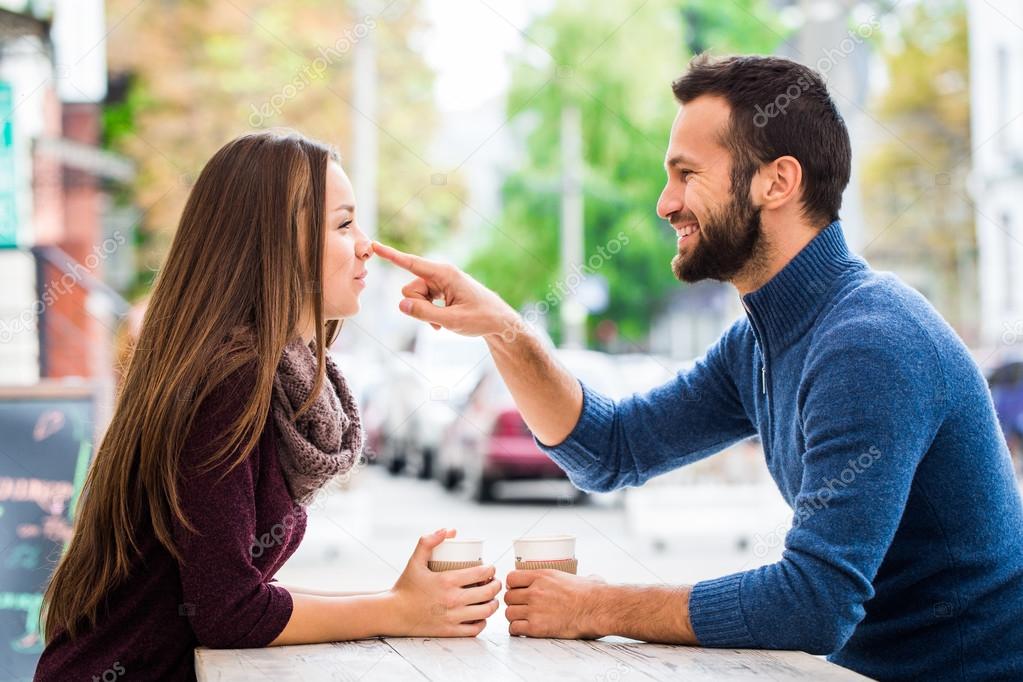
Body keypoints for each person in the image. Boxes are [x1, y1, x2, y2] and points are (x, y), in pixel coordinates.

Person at [373, 54, 1023, 681]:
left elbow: (812, 602)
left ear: (777, 181)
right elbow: (609, 449)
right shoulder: (762, 341)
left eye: (686, 174)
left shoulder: (868, 344)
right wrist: (505, 329)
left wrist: (594, 605)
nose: (664, 203)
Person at [35, 130, 500, 682]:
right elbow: (227, 612)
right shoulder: (232, 378)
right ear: (280, 241)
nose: (366, 245)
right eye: (344, 224)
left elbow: (233, 593)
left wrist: (401, 602)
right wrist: (398, 609)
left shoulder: (261, 372)